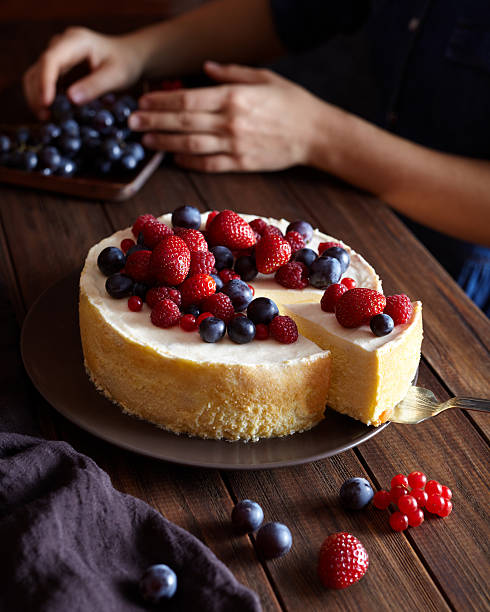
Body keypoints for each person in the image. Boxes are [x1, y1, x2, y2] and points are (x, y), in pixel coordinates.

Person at [23, 0, 490, 313]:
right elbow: (291, 11)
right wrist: (135, 51)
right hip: (351, 206)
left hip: (452, 282)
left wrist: (318, 135)